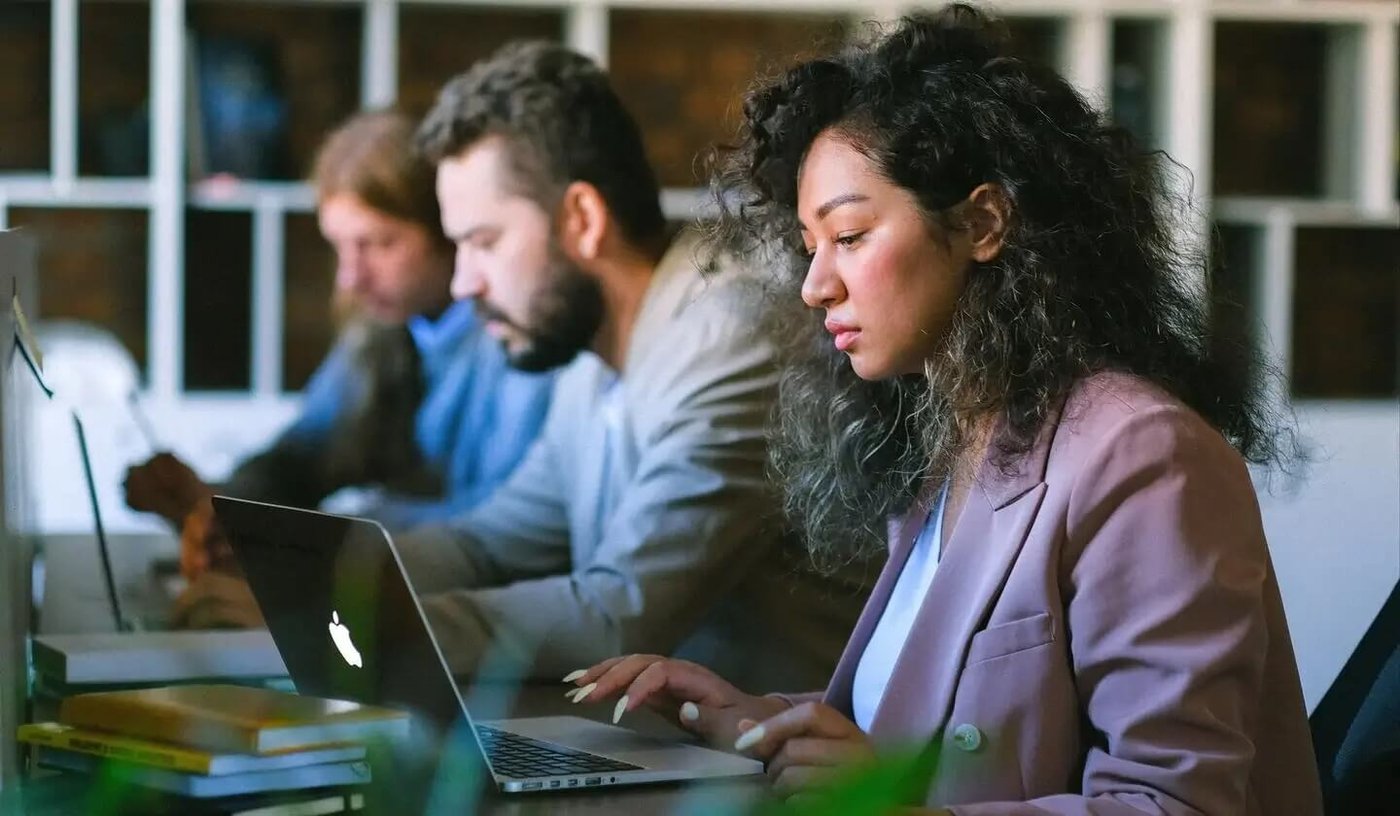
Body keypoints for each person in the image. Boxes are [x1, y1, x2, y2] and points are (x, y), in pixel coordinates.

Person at [567, 6, 1323, 813]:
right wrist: (762, 723)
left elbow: (1173, 805)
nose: (813, 284)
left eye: (849, 236)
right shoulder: (965, 437)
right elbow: (920, 733)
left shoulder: (1143, 455)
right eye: (808, 244)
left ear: (982, 223)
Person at [387, 40, 868, 691]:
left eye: (485, 242)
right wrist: (325, 572)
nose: (463, 283)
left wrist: (371, 623)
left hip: (779, 777)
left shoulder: (735, 333)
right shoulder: (591, 359)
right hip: (668, 757)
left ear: (582, 219)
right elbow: (489, 544)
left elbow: (622, 613)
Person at [124, 111, 554, 605]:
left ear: (449, 230)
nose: (351, 277)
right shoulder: (382, 329)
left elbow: (503, 528)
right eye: (340, 248)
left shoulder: (520, 341)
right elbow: (302, 457)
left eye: (377, 245)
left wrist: (317, 536)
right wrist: (223, 508)